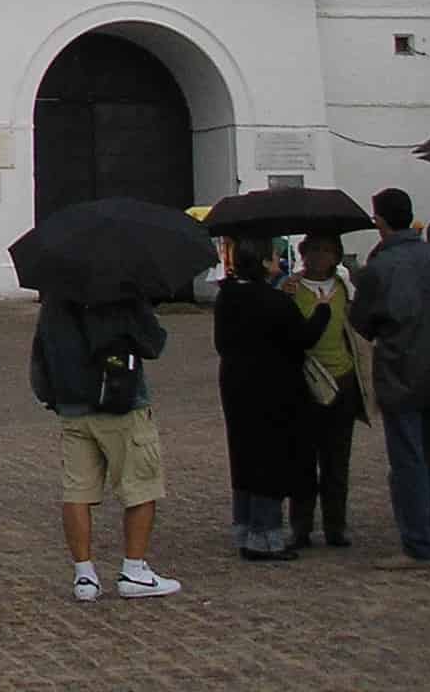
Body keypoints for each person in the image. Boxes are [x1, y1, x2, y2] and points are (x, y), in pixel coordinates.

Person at [31, 288, 181, 600]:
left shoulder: (55, 300)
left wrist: (52, 396)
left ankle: (84, 575)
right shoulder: (120, 291)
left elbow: (40, 354)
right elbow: (153, 342)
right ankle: (134, 569)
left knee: (77, 491)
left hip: (73, 406)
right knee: (140, 485)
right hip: (120, 402)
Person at [214, 239, 331, 559]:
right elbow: (302, 338)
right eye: (276, 256)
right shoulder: (273, 301)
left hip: (236, 384)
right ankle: (265, 536)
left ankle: (244, 526)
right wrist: (322, 310)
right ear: (264, 263)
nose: (280, 260)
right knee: (270, 459)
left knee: (243, 455)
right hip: (273, 388)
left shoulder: (228, 297)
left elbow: (221, 343)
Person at [352, 185, 430, 568]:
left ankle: (419, 543)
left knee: (409, 461)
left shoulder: (379, 268)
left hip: (401, 372)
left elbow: (361, 324)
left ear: (379, 221)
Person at [286, 231, 366, 548]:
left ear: (336, 257)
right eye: (313, 251)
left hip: (342, 378)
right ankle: (301, 525)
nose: (319, 257)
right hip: (305, 380)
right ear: (304, 254)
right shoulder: (292, 289)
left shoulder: (345, 289)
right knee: (303, 459)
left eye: (327, 251)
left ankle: (336, 524)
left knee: (337, 459)